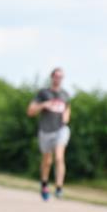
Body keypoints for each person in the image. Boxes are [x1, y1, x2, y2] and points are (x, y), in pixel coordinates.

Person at [27, 67, 71, 201]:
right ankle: (44, 184)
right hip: (46, 130)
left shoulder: (65, 94)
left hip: (61, 129)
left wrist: (66, 117)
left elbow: (68, 109)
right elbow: (30, 111)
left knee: (59, 157)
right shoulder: (43, 93)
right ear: (52, 77)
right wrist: (43, 105)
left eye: (61, 76)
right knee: (47, 161)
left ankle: (59, 188)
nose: (58, 79)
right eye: (56, 76)